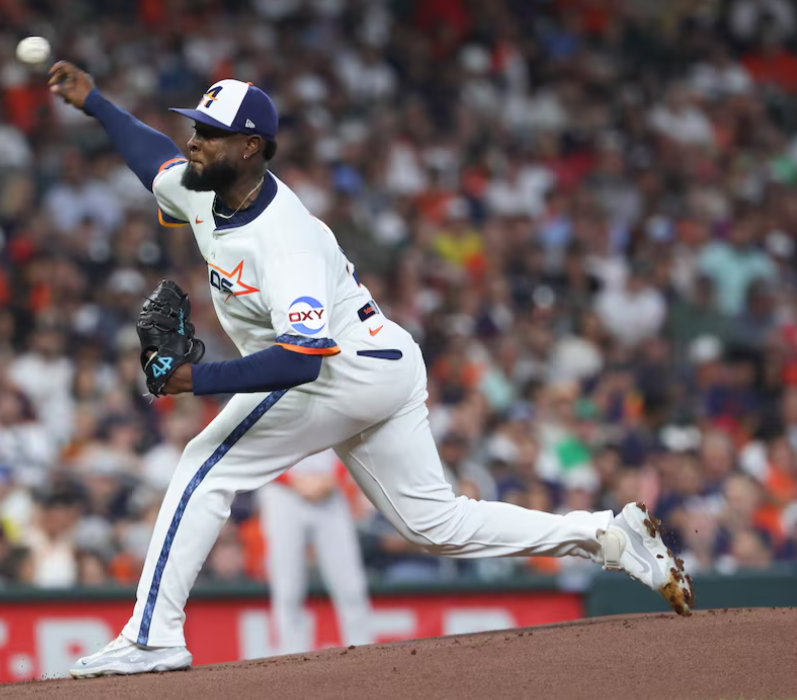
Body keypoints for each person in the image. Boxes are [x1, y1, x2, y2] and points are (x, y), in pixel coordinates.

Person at [48, 63, 693, 678]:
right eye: (196, 127)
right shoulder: (201, 185)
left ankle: (152, 636)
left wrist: (197, 380)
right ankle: (608, 537)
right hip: (383, 361)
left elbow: (302, 359)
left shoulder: (286, 239)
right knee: (434, 524)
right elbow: (151, 158)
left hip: (341, 366)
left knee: (203, 464)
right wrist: (97, 103)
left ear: (250, 148)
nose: (195, 141)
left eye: (210, 134)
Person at [258, 449, 373, 654]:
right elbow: (255, 447)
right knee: (287, 588)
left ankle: (364, 652)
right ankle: (290, 657)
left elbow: (351, 436)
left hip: (329, 489)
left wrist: (333, 479)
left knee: (350, 584)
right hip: (282, 492)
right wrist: (291, 481)